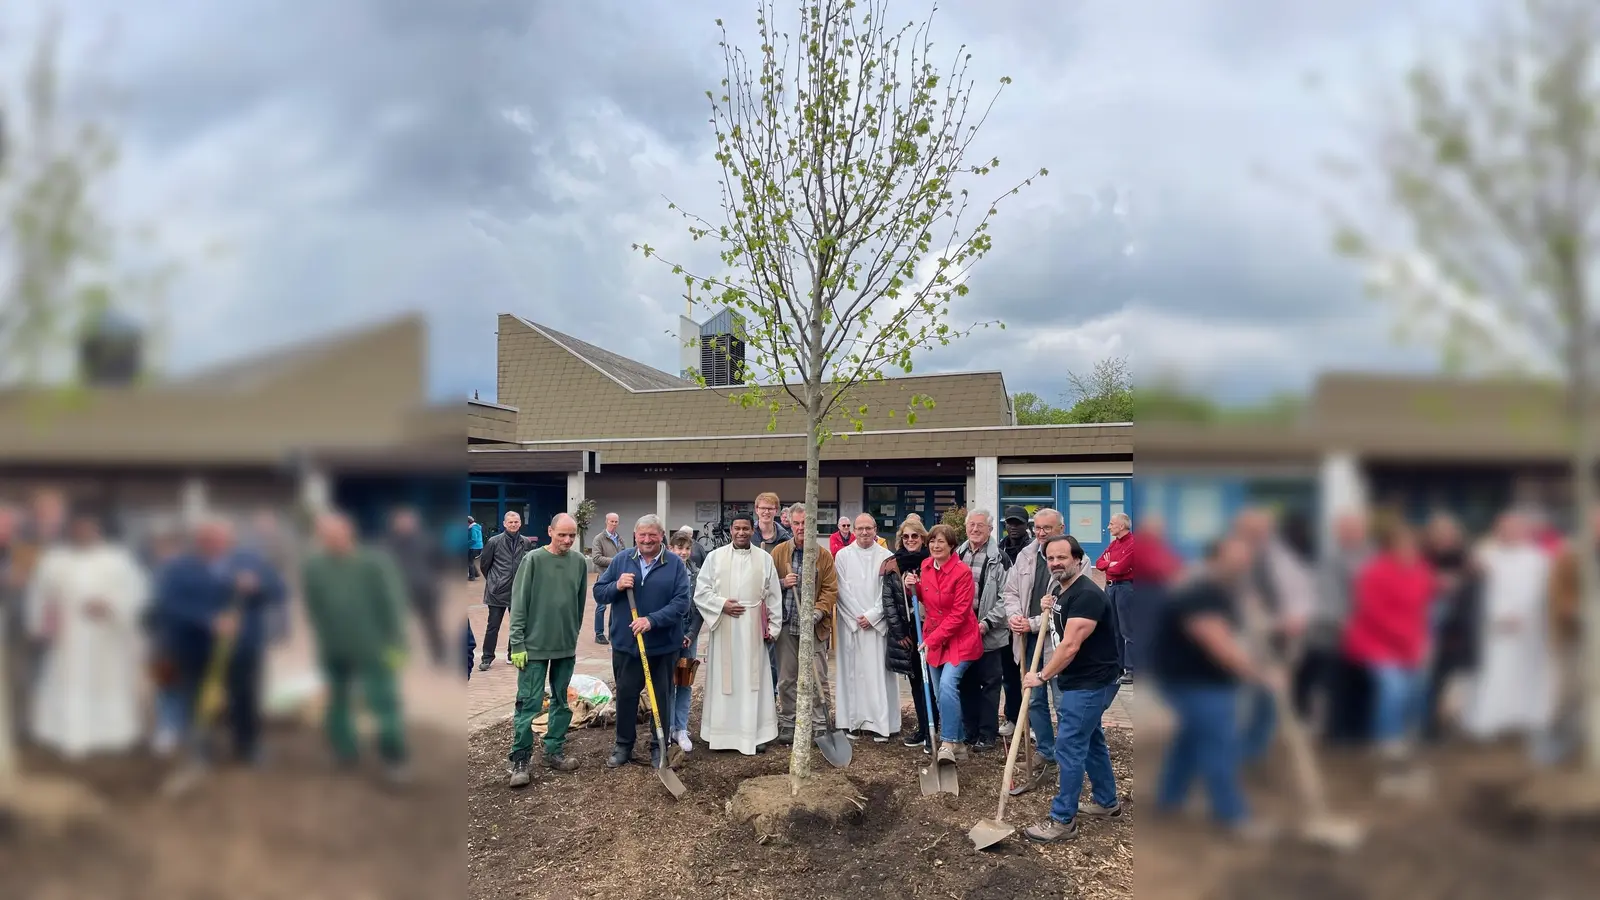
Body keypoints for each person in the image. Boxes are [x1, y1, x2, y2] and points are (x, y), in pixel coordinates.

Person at [1151, 535, 1277, 842]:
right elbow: (1219, 644)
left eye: (1245, 561)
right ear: (1216, 558)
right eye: (1236, 560)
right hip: (1193, 681)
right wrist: (1262, 675)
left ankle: (1170, 799)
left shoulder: (1227, 590)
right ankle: (1233, 816)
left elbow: (1240, 631)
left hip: (1208, 680)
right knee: (1219, 744)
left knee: (1192, 739)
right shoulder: (1198, 591)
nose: (1243, 566)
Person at [149, 517, 287, 763]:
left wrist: (257, 585)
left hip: (242, 646)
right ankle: (201, 748)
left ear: (231, 538)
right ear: (198, 540)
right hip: (196, 646)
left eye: (219, 538)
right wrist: (208, 619)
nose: (213, 543)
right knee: (199, 698)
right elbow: (170, 605)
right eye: (207, 538)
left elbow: (278, 591)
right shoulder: (180, 567)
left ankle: (248, 746)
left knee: (244, 697)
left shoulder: (250, 562)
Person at [25, 509, 150, 759]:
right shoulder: (54, 559)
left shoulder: (118, 559)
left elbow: (138, 592)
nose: (83, 532)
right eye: (78, 527)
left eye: (88, 527)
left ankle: (113, 738)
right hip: (68, 638)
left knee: (108, 684)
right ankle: (68, 737)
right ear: (71, 530)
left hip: (106, 638)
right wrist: (39, 624)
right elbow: (38, 594)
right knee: (67, 683)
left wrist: (110, 605)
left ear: (97, 529)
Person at [1022, 534, 1123, 843]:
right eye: (1051, 558)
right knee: (1090, 739)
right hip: (1082, 679)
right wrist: (1047, 605)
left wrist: (1040, 675)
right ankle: (1107, 802)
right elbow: (1059, 621)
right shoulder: (1062, 590)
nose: (1055, 563)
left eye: (1062, 557)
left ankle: (1063, 819)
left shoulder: (1087, 596)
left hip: (1092, 682)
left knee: (1068, 745)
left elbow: (1070, 646)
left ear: (1078, 559)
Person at [300, 512, 410, 782]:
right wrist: (324, 640)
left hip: (373, 646)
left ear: (349, 533)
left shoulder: (372, 563)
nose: (333, 540)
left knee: (383, 702)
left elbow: (391, 604)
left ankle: (393, 756)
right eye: (326, 536)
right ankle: (344, 750)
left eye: (337, 534)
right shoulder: (314, 567)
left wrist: (396, 643)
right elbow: (314, 608)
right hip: (334, 647)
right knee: (337, 702)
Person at [593, 515, 692, 767]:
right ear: (635, 535)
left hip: (663, 646)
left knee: (661, 696)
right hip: (627, 645)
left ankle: (659, 745)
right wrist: (616, 585)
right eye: (642, 535)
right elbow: (599, 593)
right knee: (626, 695)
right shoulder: (621, 560)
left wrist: (652, 620)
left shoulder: (675, 565)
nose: (647, 540)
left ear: (662, 536)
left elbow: (681, 603)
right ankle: (623, 745)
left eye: (653, 535)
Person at [1342, 518, 1435, 784]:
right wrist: (1406, 639)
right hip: (1375, 643)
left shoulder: (1421, 571)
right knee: (1393, 687)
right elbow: (1372, 613)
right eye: (1403, 546)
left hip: (1409, 643)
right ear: (1390, 548)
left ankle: (1408, 736)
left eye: (1413, 546)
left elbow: (1422, 610)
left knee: (1417, 688)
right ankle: (1385, 741)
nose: (1410, 551)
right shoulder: (1374, 572)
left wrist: (1423, 641)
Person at [505, 513, 590, 787]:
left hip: (564, 645)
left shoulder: (578, 562)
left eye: (572, 536)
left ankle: (553, 750)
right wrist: (517, 643)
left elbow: (579, 602)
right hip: (533, 647)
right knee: (528, 703)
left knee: (562, 702)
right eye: (562, 534)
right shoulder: (533, 560)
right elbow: (519, 603)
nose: (567, 540)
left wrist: (573, 634)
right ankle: (521, 758)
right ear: (550, 531)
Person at [692, 514, 782, 754]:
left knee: (754, 682)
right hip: (725, 628)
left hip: (753, 628)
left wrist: (774, 627)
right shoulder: (714, 557)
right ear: (731, 531)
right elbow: (701, 592)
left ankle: (756, 734)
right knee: (726, 681)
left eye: (746, 528)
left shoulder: (764, 559)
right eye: (737, 528)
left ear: (753, 531)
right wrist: (722, 605)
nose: (741, 532)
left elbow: (774, 595)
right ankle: (721, 736)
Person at [1463, 511, 1556, 743]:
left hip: (1531, 629)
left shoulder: (1540, 559)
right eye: (1506, 528)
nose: (1512, 533)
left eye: (1516, 528)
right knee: (1495, 672)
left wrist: (1526, 616)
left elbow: (1542, 593)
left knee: (1529, 674)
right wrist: (1498, 615)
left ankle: (1528, 719)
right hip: (1495, 628)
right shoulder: (1487, 556)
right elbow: (1481, 592)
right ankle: (1491, 721)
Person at [1232, 507, 1314, 766]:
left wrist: (1296, 617)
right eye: (1251, 531)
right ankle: (1234, 755)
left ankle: (1254, 755)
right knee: (1241, 703)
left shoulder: (1280, 558)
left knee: (1269, 701)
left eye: (1261, 531)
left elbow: (1302, 593)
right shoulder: (1231, 557)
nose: (1257, 536)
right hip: (1240, 643)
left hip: (1277, 641)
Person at [1002, 507, 1068, 790]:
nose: (1041, 534)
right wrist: (1015, 616)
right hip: (1029, 641)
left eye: (1047, 529)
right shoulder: (1026, 555)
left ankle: (1068, 761)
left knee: (1063, 704)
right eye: (1038, 528)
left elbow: (1066, 608)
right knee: (1035, 700)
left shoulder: (1074, 559)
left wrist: (1030, 622)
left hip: (1059, 644)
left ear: (1061, 528)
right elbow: (1011, 591)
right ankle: (1046, 752)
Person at [768, 503, 839, 745]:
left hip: (814, 627)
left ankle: (820, 724)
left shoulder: (823, 555)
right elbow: (765, 586)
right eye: (796, 523)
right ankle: (789, 721)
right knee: (787, 678)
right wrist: (781, 581)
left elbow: (830, 589)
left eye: (805, 524)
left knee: (818, 676)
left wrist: (818, 613)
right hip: (787, 624)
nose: (800, 528)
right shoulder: (778, 553)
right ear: (790, 523)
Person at [912, 524, 983, 764]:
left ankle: (947, 742)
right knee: (938, 691)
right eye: (932, 541)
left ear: (952, 545)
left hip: (960, 639)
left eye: (941, 541)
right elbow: (926, 596)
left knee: (947, 685)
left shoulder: (962, 572)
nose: (935, 546)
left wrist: (932, 639)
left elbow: (959, 614)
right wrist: (914, 586)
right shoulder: (925, 566)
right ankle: (959, 744)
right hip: (934, 636)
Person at [1301, 511, 1371, 745]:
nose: (1350, 535)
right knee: (1336, 685)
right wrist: (1345, 623)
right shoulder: (1330, 559)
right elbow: (1328, 598)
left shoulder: (1373, 555)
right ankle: (1336, 733)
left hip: (1369, 634)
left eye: (1354, 530)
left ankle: (1359, 730)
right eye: (1345, 530)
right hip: (1336, 634)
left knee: (1363, 683)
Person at [832, 514, 902, 742]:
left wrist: (872, 616)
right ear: (853, 529)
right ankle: (852, 722)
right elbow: (840, 590)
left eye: (868, 528)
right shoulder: (842, 556)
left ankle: (882, 725)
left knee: (877, 674)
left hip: (877, 627)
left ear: (875, 529)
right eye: (860, 528)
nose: (864, 532)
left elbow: (890, 591)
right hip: (850, 625)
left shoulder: (886, 556)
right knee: (852, 674)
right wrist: (857, 617)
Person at [1542, 505, 1593, 766]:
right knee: (1569, 692)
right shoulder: (1570, 554)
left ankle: (1588, 745)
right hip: (1575, 635)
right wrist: (1574, 609)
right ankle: (1555, 748)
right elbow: (1558, 593)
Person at [1421, 512, 1478, 745]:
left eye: (1449, 534)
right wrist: (1436, 582)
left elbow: (1473, 586)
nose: (1446, 538)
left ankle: (1451, 723)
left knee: (1456, 677)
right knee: (1432, 676)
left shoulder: (1467, 559)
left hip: (1460, 625)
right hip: (1431, 622)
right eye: (1440, 534)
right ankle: (1430, 726)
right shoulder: (1423, 557)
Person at [957, 509, 1009, 752]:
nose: (975, 529)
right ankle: (970, 731)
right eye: (971, 525)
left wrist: (986, 623)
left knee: (989, 685)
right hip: (961, 633)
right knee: (965, 683)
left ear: (990, 529)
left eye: (980, 525)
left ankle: (987, 735)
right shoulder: (957, 554)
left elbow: (1007, 598)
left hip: (989, 633)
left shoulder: (1001, 558)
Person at [388, 508, 447, 666]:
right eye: (401, 523)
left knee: (432, 625)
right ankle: (395, 657)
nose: (405, 526)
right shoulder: (389, 544)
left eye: (408, 522)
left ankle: (439, 656)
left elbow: (440, 562)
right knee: (394, 624)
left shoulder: (428, 540)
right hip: (399, 590)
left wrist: (433, 581)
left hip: (425, 590)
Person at [477, 511, 534, 670]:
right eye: (510, 522)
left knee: (517, 625)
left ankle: (512, 654)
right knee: (493, 626)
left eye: (516, 522)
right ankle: (487, 658)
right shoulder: (494, 542)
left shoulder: (526, 542)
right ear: (504, 524)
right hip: (497, 591)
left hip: (518, 590)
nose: (513, 524)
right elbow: (484, 565)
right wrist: (495, 581)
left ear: (520, 523)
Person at [995, 506, 1032, 736]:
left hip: (1027, 620)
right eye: (1010, 522)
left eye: (1018, 523)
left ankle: (1032, 720)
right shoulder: (999, 550)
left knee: (1030, 674)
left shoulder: (1032, 550)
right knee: (1008, 675)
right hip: (1005, 622)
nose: (1013, 527)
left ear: (1026, 525)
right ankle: (1012, 716)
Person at [668, 531, 704, 754]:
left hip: (688, 636)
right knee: (666, 681)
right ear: (671, 548)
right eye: (678, 548)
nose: (682, 552)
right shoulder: (663, 571)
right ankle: (667, 724)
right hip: (666, 635)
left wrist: (690, 633)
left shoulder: (697, 574)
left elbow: (700, 607)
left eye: (686, 548)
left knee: (684, 680)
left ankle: (681, 727)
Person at [1096, 513, 1136, 684]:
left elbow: (1121, 568)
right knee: (1113, 629)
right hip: (1110, 587)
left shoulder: (1134, 544)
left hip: (1125, 588)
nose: (1109, 527)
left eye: (1112, 524)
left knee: (1127, 629)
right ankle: (1118, 667)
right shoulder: (1113, 544)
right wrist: (1110, 564)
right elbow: (1099, 563)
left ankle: (1132, 669)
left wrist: (1111, 564)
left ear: (1122, 526)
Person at [590, 512, 627, 644]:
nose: (614, 524)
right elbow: (596, 558)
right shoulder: (599, 539)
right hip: (604, 575)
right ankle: (599, 633)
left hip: (617, 576)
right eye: (611, 521)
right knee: (601, 606)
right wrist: (615, 561)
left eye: (616, 521)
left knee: (616, 605)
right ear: (606, 522)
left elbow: (624, 555)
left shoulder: (620, 539)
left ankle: (613, 632)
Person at [467, 516, 484, 580]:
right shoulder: (476, 527)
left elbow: (474, 539)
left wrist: (465, 544)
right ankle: (476, 574)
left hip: (474, 547)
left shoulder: (473, 528)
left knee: (469, 561)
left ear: (468, 522)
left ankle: (472, 577)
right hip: (479, 547)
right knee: (470, 561)